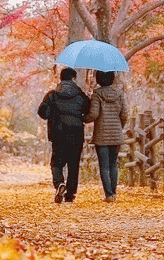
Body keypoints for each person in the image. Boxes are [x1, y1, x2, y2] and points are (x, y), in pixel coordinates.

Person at [38, 67, 90, 203]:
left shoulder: (52, 95)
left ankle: (59, 184)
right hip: (76, 133)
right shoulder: (80, 95)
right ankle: (70, 194)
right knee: (74, 165)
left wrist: (52, 114)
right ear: (73, 78)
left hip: (58, 133)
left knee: (57, 163)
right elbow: (88, 110)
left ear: (61, 78)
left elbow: (42, 112)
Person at [85, 70, 128, 202]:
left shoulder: (97, 94)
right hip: (116, 134)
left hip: (101, 135)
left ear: (99, 79)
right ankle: (114, 193)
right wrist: (119, 127)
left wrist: (84, 118)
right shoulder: (119, 94)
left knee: (104, 166)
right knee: (113, 164)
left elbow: (94, 114)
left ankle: (108, 194)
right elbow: (124, 115)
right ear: (112, 78)